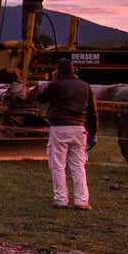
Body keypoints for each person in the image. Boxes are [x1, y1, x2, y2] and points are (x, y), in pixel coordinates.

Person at [35, 58, 97, 210]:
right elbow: (92, 113)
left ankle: (61, 199)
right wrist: (93, 133)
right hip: (79, 129)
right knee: (78, 165)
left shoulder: (56, 85)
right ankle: (82, 201)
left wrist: (49, 83)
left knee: (58, 165)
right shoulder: (85, 86)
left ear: (58, 71)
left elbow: (40, 99)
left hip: (60, 128)